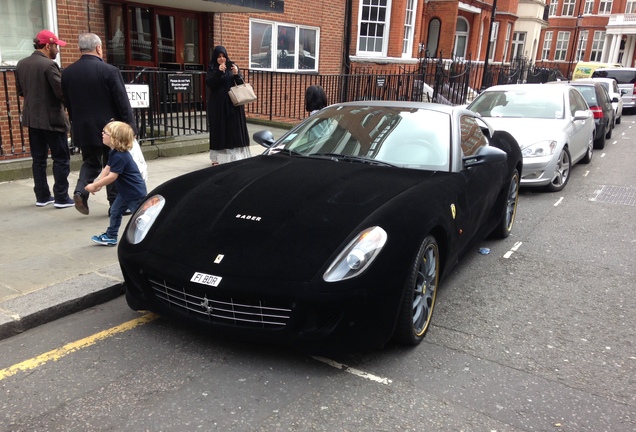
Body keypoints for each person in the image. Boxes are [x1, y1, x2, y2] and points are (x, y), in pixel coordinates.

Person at [61, 32, 137, 216]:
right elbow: (122, 102)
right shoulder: (110, 71)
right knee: (112, 164)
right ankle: (115, 205)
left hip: (83, 126)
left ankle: (81, 192)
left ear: (80, 49)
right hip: (109, 128)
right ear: (98, 48)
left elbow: (67, 102)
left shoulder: (68, 73)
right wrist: (131, 127)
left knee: (90, 162)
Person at [14, 30, 74, 208]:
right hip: (53, 119)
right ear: (48, 45)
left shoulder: (22, 64)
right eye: (56, 46)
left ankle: (42, 196)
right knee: (61, 158)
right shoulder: (49, 65)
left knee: (38, 160)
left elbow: (20, 91)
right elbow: (60, 92)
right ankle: (62, 197)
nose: (58, 49)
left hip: (32, 119)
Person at [85, 121, 147, 246]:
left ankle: (150, 237)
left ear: (115, 138)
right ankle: (111, 236)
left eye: (105, 133)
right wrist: (99, 183)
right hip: (125, 192)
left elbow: (112, 177)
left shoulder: (120, 156)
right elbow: (107, 168)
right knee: (115, 211)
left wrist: (94, 185)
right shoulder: (114, 152)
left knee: (141, 218)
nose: (102, 134)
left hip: (134, 193)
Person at [205, 45, 251, 166]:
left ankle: (235, 157)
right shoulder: (212, 68)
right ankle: (217, 158)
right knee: (219, 130)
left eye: (223, 56)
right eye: (219, 56)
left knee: (233, 130)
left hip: (233, 105)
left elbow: (240, 83)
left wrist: (236, 74)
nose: (222, 59)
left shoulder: (232, 66)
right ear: (215, 57)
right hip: (218, 105)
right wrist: (219, 72)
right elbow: (210, 84)